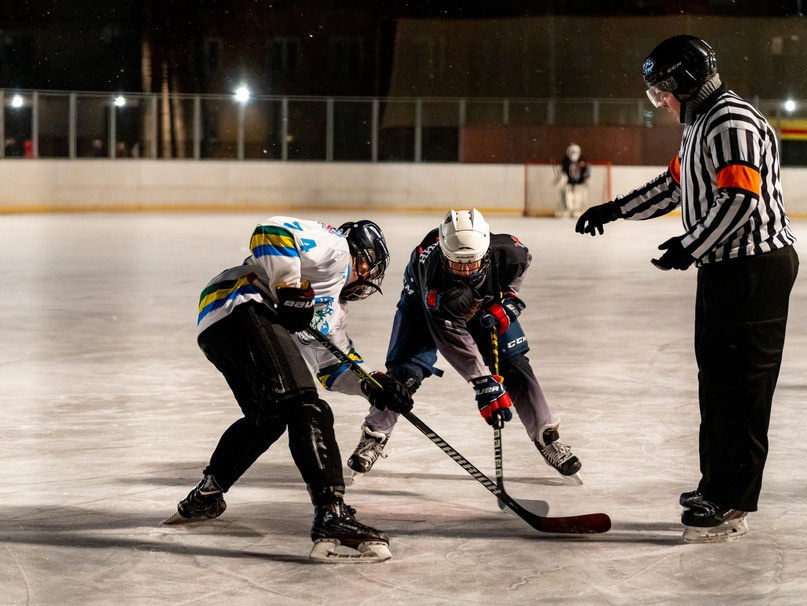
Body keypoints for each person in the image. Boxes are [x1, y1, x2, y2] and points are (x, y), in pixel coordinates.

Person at [575, 35, 799, 543]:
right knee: (716, 380)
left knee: (743, 387)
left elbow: (740, 198)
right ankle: (716, 485)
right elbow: (674, 186)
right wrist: (615, 209)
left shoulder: (731, 122)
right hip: (724, 267)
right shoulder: (701, 126)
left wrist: (690, 245)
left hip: (754, 270)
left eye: (662, 92)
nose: (661, 103)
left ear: (685, 83)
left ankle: (732, 501)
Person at [166, 216, 413, 562]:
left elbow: (332, 368)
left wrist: (373, 387)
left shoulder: (333, 311)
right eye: (369, 270)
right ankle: (331, 515)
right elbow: (271, 232)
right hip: (243, 302)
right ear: (362, 259)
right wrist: (289, 287)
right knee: (306, 406)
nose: (367, 280)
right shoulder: (336, 249)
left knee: (268, 418)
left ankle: (206, 495)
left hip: (218, 322)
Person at [347, 208, 582, 480]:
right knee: (405, 373)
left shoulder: (508, 251)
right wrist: (482, 382)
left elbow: (522, 262)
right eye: (457, 263)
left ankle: (547, 436)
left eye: (472, 261)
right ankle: (375, 434)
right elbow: (452, 338)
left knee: (515, 364)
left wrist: (510, 297)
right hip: (424, 308)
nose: (466, 270)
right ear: (444, 255)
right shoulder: (436, 281)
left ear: (486, 252)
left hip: (481, 303)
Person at [556, 143, 591, 218]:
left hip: (579, 183)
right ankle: (566, 210)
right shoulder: (565, 161)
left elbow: (587, 170)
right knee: (566, 195)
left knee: (578, 197)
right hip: (568, 183)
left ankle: (577, 210)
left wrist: (587, 178)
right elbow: (562, 171)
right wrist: (561, 178)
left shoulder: (583, 160)